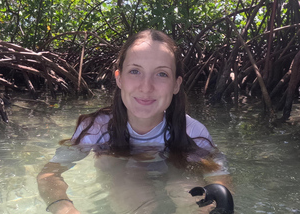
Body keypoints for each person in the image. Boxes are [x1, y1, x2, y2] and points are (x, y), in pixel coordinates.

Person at [38, 29, 232, 214]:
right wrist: (65, 208)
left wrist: (211, 205)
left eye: (161, 74)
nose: (146, 87)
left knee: (187, 191)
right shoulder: (96, 127)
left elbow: (219, 177)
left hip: (176, 178)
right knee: (131, 188)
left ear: (176, 85)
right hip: (124, 184)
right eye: (135, 71)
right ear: (119, 78)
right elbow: (49, 174)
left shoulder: (194, 132)